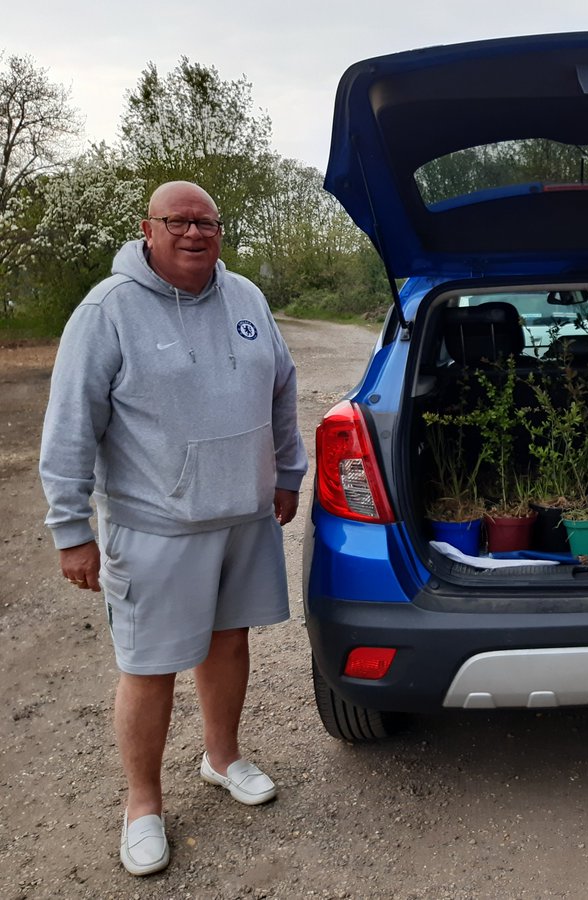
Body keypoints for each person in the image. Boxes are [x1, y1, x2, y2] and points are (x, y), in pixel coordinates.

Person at [39, 181, 308, 876]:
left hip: (243, 517)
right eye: (178, 221)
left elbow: (282, 385)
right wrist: (71, 529)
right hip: (155, 526)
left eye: (207, 222)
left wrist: (287, 473)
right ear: (148, 229)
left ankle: (222, 757)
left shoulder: (246, 297)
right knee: (149, 667)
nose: (194, 233)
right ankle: (143, 805)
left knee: (229, 643)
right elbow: (70, 424)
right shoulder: (108, 310)